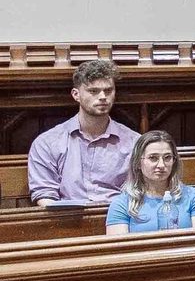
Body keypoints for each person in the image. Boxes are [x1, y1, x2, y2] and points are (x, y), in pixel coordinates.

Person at [27, 60, 139, 205]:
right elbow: (44, 195)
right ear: (76, 94)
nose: (103, 96)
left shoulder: (134, 142)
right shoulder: (47, 142)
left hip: (120, 219)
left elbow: (141, 192)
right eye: (93, 91)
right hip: (67, 220)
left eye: (108, 90)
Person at [104, 132, 195, 234]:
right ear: (137, 163)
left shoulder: (194, 198)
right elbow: (119, 250)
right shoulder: (121, 204)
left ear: (174, 161)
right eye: (153, 158)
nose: (161, 165)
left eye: (167, 157)